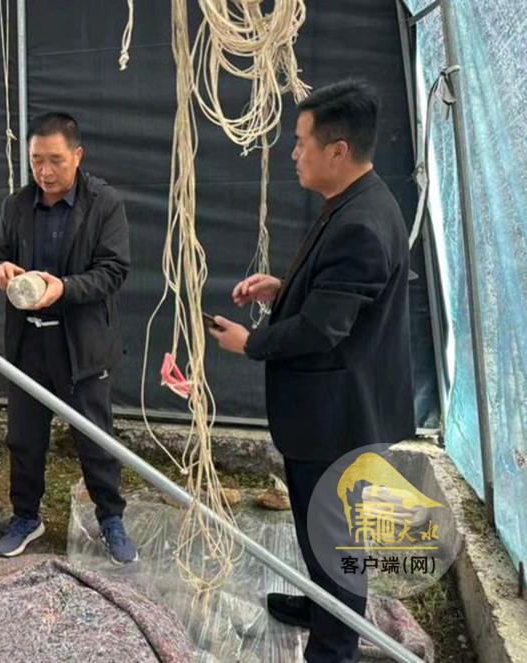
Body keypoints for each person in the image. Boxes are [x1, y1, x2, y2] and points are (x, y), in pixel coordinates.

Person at [208, 80, 414, 662]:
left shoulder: (360, 224)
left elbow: (323, 330)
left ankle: (333, 646)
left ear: (338, 150)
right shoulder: (356, 202)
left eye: (301, 143)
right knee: (323, 533)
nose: (294, 154)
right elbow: (339, 301)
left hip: (337, 420)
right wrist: (285, 288)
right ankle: (324, 606)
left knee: (335, 538)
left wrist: (252, 342)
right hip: (337, 411)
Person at [0, 112, 138, 564]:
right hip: (28, 344)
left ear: (77, 155)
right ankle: (25, 517)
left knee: (94, 437)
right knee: (24, 437)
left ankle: (110, 518)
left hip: (81, 344)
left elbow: (113, 270)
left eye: (55, 160)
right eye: (36, 161)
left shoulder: (104, 204)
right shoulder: (17, 205)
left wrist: (64, 289)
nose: (45, 172)